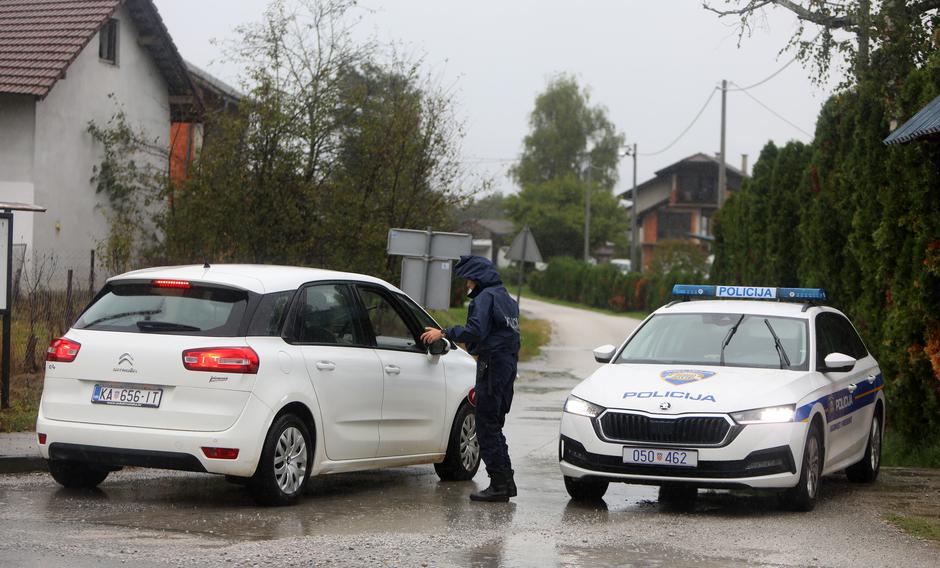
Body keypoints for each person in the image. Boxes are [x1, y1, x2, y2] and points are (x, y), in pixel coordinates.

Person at [420, 255, 521, 502]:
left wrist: (443, 332)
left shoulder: (485, 298)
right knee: (495, 425)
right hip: (507, 366)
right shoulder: (506, 298)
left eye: (468, 281)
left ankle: (499, 485)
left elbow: (475, 331)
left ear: (477, 279)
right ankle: (506, 483)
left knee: (485, 426)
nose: (467, 285)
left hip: (493, 366)